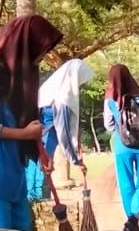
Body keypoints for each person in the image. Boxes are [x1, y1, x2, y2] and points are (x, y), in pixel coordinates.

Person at [0, 14, 63, 231]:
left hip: (15, 179)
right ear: (24, 45)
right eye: (40, 49)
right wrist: (24, 135)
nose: (44, 55)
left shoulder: (25, 82)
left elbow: (28, 125)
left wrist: (41, 155)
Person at [29, 58, 95, 201]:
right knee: (39, 180)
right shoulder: (63, 98)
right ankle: (37, 205)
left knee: (36, 175)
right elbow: (64, 132)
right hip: (43, 147)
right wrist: (76, 161)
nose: (81, 86)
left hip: (40, 146)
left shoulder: (51, 89)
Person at [103, 64, 139, 231]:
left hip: (121, 146)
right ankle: (133, 218)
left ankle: (130, 219)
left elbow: (108, 125)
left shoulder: (110, 99)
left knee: (125, 183)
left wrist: (122, 129)